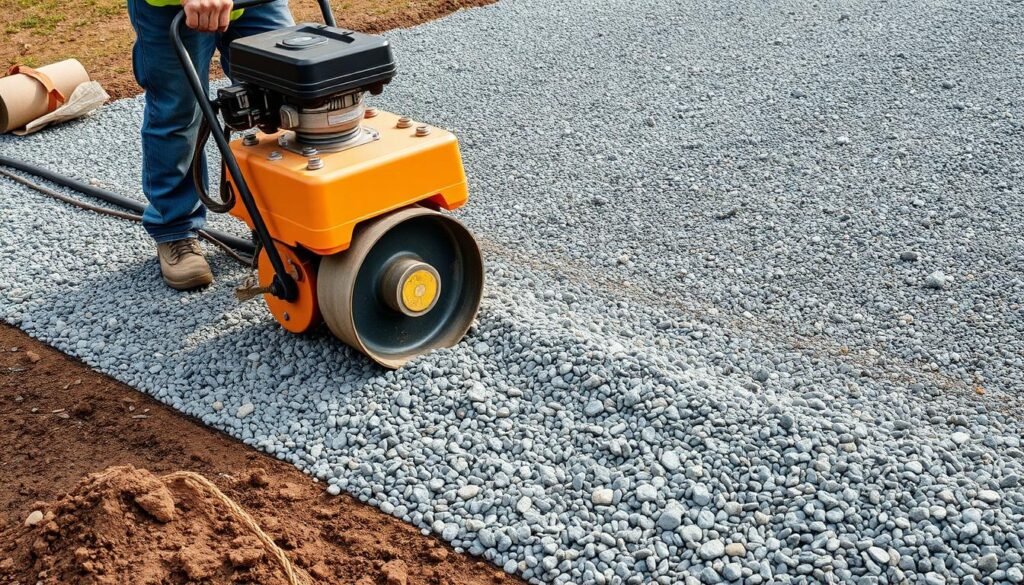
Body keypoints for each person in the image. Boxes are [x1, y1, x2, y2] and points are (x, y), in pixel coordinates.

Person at [127, 0, 293, 290]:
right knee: (179, 110)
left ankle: (281, 224)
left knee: (288, 91)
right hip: (170, 7)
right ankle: (175, 229)